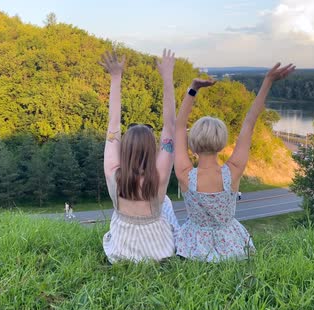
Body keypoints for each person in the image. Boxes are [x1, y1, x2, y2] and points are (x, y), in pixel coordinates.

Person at [174, 62, 296, 262]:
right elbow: (250, 121)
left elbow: (178, 127)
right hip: (232, 246)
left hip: (193, 248)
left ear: (193, 146)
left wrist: (193, 89)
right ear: (222, 144)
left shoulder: (185, 174)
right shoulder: (233, 171)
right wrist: (268, 81)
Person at [101, 49, 178, 263]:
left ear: (124, 149)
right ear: (152, 150)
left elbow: (113, 125)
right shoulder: (159, 176)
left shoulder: (113, 172)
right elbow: (170, 127)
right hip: (158, 249)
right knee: (168, 204)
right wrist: (167, 77)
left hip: (121, 249)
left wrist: (116, 77)